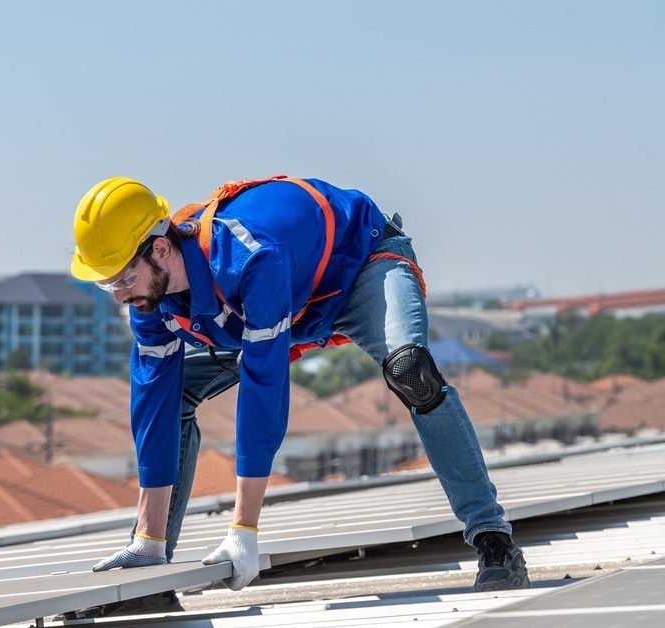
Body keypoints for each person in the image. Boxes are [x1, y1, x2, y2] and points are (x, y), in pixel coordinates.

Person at [67, 175, 530, 613]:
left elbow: (263, 386)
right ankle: (154, 570)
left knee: (411, 372)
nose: (119, 296)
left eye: (123, 279)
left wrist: (244, 529)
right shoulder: (150, 297)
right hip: (284, 304)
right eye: (107, 284)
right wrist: (146, 543)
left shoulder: (249, 258)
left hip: (359, 268)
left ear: (161, 248)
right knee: (174, 396)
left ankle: (494, 540)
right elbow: (153, 406)